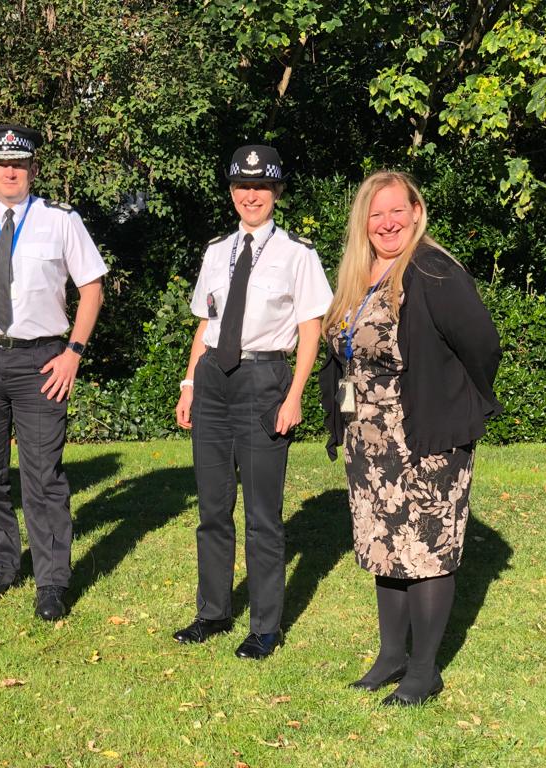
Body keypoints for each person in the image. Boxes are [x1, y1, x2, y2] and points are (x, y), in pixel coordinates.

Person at [319, 170, 502, 705]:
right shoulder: (361, 275)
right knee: (384, 545)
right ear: (364, 224)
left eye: (397, 210)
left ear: (417, 212)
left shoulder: (432, 270)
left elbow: (483, 345)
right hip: (369, 444)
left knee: (425, 550)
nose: (387, 222)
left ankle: (424, 669)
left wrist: (455, 402)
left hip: (425, 438)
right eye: (376, 214)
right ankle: (391, 656)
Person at [0, 124, 107, 621]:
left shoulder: (61, 221)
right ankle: (1, 567)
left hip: (42, 360)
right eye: (1, 163)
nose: (11, 171)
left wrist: (73, 351)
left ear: (32, 168)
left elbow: (92, 287)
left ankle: (52, 580)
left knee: (43, 475)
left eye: (20, 163)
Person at [173, 145, 333, 658]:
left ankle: (265, 626)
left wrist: (294, 396)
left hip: (264, 380)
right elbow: (206, 322)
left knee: (263, 514)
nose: (251, 196)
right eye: (242, 187)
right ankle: (213, 612)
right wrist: (188, 385)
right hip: (213, 382)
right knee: (213, 509)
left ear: (276, 193)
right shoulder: (216, 250)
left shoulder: (298, 254)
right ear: (232, 193)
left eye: (261, 187)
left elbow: (312, 330)